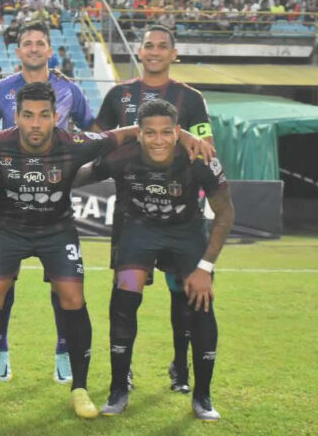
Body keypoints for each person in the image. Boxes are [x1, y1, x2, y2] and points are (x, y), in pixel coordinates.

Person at [0, 82, 212, 418]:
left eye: (43, 115)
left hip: (57, 231)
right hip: (7, 230)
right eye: (28, 115)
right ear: (16, 117)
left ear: (56, 117)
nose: (35, 123)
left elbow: (122, 134)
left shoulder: (75, 144)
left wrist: (183, 135)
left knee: (73, 298)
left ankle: (79, 389)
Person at [0, 21, 98, 385]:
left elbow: (93, 131)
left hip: (55, 201)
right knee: (2, 284)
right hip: (11, 198)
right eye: (27, 43)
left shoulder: (70, 89)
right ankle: (0, 348)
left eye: (39, 43)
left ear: (50, 49)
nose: (33, 48)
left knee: (63, 285)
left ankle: (64, 351)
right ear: (18, 51)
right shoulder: (2, 90)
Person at [84, 25, 214, 394]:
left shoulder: (191, 98)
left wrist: (185, 136)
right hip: (132, 215)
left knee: (182, 294)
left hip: (181, 213)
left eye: (162, 46)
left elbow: (206, 148)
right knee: (126, 293)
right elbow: (96, 141)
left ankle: (180, 367)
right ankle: (122, 374)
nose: (154, 51)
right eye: (148, 45)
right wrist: (132, 134)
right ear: (139, 52)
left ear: (174, 54)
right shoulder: (119, 95)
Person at [88, 99, 233, 421]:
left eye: (166, 132)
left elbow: (225, 214)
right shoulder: (122, 157)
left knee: (201, 303)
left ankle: (203, 396)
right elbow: (80, 175)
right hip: (138, 232)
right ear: (138, 134)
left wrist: (204, 267)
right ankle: (118, 389)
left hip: (186, 235)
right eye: (150, 132)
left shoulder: (199, 159)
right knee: (124, 300)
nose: (158, 140)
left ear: (177, 132)